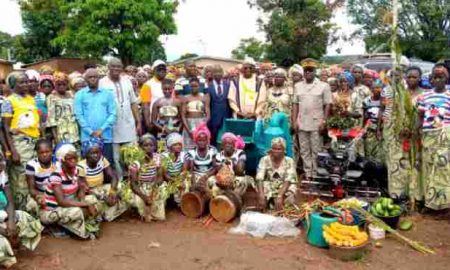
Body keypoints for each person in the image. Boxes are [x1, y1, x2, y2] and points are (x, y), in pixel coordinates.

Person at [40, 144, 100, 239]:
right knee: (77, 211)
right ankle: (60, 228)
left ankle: (76, 226)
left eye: (75, 158)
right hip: (52, 210)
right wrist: (85, 205)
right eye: (69, 158)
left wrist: (82, 200)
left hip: (68, 203)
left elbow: (80, 188)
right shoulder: (56, 175)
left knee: (92, 199)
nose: (73, 160)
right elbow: (62, 202)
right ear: (62, 160)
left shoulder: (76, 170)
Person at [2, 72, 40, 210]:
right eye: (21, 82)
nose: (26, 85)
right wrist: (12, 151)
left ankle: (34, 210)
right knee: (21, 178)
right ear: (13, 85)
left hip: (34, 142)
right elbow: (5, 127)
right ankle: (22, 212)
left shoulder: (31, 99)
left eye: (27, 82)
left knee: (33, 176)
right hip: (20, 144)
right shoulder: (9, 101)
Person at [99, 58, 141, 180]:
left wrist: (138, 122)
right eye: (113, 66)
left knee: (131, 155)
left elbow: (133, 102)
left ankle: (134, 180)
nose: (116, 69)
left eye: (119, 66)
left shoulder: (127, 81)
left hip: (128, 124)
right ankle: (120, 182)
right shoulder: (102, 83)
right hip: (112, 126)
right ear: (108, 67)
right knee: (116, 158)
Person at [0, 152, 43, 268]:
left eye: (1, 160)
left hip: (2, 216)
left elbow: (9, 201)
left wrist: (11, 223)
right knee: (1, 244)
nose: (1, 164)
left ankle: (17, 248)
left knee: (25, 219)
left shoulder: (2, 177)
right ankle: (6, 260)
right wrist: (5, 232)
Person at [416, 65, 450, 210]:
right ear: (431, 79)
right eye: (435, 77)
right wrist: (416, 131)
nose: (437, 80)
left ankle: (443, 203)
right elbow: (420, 117)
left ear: (446, 78)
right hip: (428, 136)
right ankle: (429, 202)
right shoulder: (424, 96)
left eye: (440, 77)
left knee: (443, 168)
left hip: (445, 136)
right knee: (428, 167)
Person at [292, 58, 331, 180]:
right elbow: (295, 104)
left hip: (316, 123)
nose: (308, 73)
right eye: (306, 70)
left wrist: (324, 121)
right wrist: (294, 121)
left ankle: (316, 173)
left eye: (310, 70)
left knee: (316, 149)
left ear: (315, 72)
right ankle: (308, 173)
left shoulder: (323, 86)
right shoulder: (298, 86)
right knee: (304, 150)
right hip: (302, 122)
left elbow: (327, 104)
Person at [78, 138, 128, 222]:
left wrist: (112, 192)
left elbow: (113, 177)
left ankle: (107, 214)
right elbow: (85, 189)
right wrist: (104, 197)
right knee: (90, 200)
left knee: (120, 186)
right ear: (86, 154)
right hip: (90, 191)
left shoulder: (102, 159)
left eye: (97, 152)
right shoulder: (81, 166)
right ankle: (101, 214)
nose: (96, 155)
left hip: (100, 188)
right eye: (92, 153)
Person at [74, 68, 117, 164]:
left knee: (107, 165)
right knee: (88, 167)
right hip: (87, 138)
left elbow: (113, 114)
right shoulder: (79, 95)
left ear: (99, 78)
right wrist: (91, 132)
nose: (93, 79)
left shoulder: (108, 94)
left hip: (105, 137)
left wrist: (101, 129)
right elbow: (79, 116)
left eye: (95, 77)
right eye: (90, 77)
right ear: (85, 79)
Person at [129, 134, 167, 221]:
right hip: (140, 187)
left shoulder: (157, 158)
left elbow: (160, 177)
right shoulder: (136, 161)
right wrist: (144, 197)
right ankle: (139, 209)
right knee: (143, 208)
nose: (148, 147)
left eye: (151, 145)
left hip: (153, 185)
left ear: (155, 147)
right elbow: (133, 184)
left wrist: (153, 191)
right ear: (140, 147)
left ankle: (152, 210)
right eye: (145, 145)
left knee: (160, 217)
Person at [256, 137, 297, 210]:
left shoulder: (289, 161)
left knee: (290, 197)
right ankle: (269, 202)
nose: (276, 151)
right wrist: (261, 194)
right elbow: (259, 178)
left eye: (279, 149)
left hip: (284, 185)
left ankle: (278, 203)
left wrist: (280, 195)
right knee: (262, 199)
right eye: (274, 148)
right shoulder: (264, 159)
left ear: (284, 150)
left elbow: (288, 180)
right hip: (270, 184)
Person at [46, 72, 80, 146]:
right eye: (59, 84)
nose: (61, 86)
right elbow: (52, 121)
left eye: (64, 84)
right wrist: (56, 139)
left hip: (74, 131)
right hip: (61, 133)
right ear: (54, 85)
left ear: (67, 84)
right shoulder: (51, 97)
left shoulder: (72, 95)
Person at [25, 139, 56, 216]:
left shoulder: (57, 163)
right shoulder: (31, 165)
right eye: (41, 152)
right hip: (39, 193)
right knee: (32, 205)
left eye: (47, 151)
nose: (44, 154)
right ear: (37, 153)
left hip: (56, 193)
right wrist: (40, 197)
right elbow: (31, 189)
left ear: (52, 151)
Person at [186, 123, 218, 196]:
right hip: (196, 175)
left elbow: (215, 168)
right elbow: (191, 170)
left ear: (208, 140)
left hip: (209, 175)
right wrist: (194, 182)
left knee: (215, 184)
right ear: (196, 140)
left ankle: (212, 202)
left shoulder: (212, 150)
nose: (202, 143)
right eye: (200, 140)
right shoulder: (192, 152)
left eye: (204, 140)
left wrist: (205, 176)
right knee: (188, 185)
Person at [181, 77, 211, 149]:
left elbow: (208, 114)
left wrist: (202, 125)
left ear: (199, 86)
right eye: (192, 86)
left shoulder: (204, 98)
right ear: (189, 87)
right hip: (189, 124)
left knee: (201, 145)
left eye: (196, 86)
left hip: (201, 124)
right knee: (189, 147)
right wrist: (188, 130)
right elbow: (183, 115)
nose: (194, 88)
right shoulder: (185, 98)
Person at [206, 65, 232, 146]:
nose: (218, 74)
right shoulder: (208, 86)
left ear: (223, 73)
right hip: (213, 119)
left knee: (226, 139)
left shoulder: (228, 85)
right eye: (216, 72)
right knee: (213, 141)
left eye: (220, 72)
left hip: (226, 117)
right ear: (212, 74)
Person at [161, 133, 188, 204]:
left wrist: (179, 181)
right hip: (168, 180)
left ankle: (181, 203)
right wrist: (176, 183)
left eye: (180, 144)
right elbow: (165, 175)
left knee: (186, 184)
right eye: (175, 145)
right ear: (170, 146)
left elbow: (184, 171)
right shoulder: (164, 156)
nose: (178, 146)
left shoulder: (183, 155)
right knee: (162, 188)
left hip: (179, 178)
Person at [141, 60, 167, 130]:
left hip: (170, 120)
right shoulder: (148, 85)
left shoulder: (169, 83)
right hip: (155, 122)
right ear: (154, 70)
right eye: (159, 68)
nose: (162, 70)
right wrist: (148, 122)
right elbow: (145, 105)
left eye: (164, 68)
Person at [363, 79, 383, 163]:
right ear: (371, 89)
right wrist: (363, 130)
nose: (377, 90)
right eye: (375, 88)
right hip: (369, 130)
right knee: (368, 152)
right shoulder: (366, 101)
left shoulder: (385, 101)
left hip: (381, 129)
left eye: (379, 88)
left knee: (379, 154)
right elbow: (364, 116)